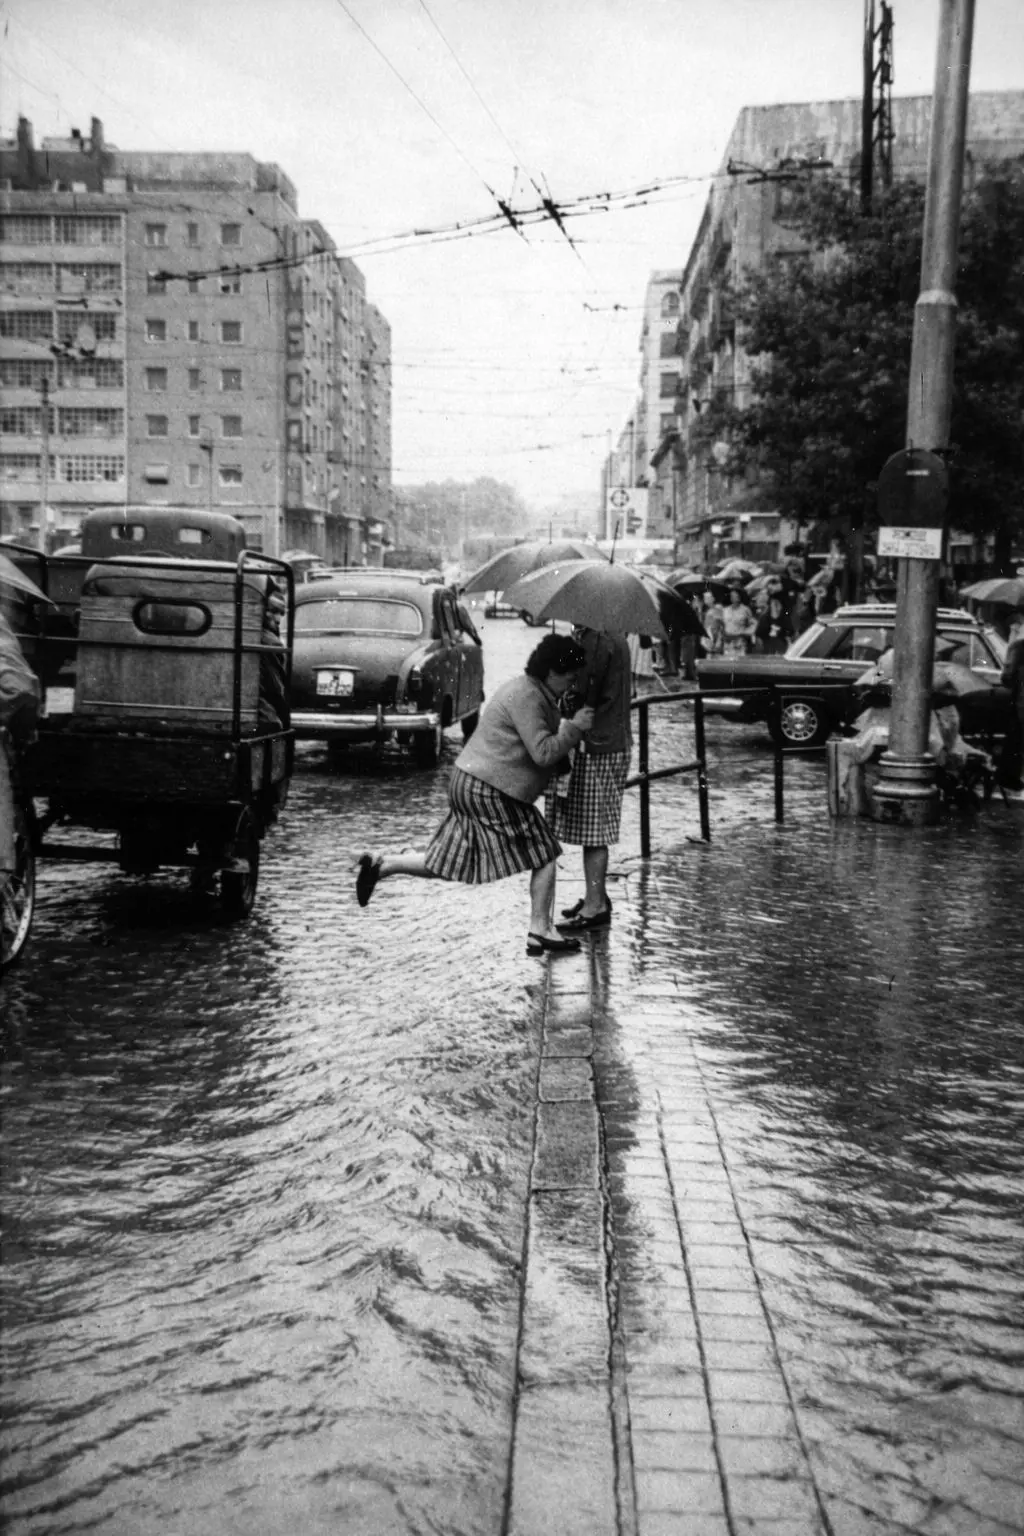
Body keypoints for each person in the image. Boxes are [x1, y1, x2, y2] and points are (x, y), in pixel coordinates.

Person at [354, 633, 594, 956]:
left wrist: (563, 717)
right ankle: (540, 930)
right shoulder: (529, 697)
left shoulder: (533, 691)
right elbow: (543, 752)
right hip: (488, 790)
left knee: (450, 861)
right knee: (546, 851)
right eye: (570, 676)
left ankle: (383, 865)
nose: (572, 683)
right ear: (552, 672)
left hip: (470, 782)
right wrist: (573, 728)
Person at [545, 626, 631, 933]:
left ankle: (595, 904)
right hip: (610, 740)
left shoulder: (596, 639)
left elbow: (580, 694)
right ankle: (596, 897)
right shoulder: (608, 635)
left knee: (594, 829)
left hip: (597, 744)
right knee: (594, 826)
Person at [995, 607, 1024, 798]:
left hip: (1021, 701)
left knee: (1016, 738)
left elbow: (1007, 676)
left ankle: (1008, 775)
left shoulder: (1018, 645)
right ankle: (1009, 776)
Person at [721, 587, 757, 657]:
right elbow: (722, 625)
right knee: (728, 663)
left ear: (740, 596)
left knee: (739, 662)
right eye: (732, 596)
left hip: (740, 641)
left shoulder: (746, 610)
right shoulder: (725, 610)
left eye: (736, 595)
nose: (735, 597)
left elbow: (753, 625)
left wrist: (745, 632)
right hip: (727, 642)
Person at [702, 590, 726, 655]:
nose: (706, 599)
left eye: (708, 597)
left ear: (713, 598)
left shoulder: (718, 608)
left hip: (716, 636)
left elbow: (720, 623)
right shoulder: (706, 610)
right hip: (709, 636)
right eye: (705, 597)